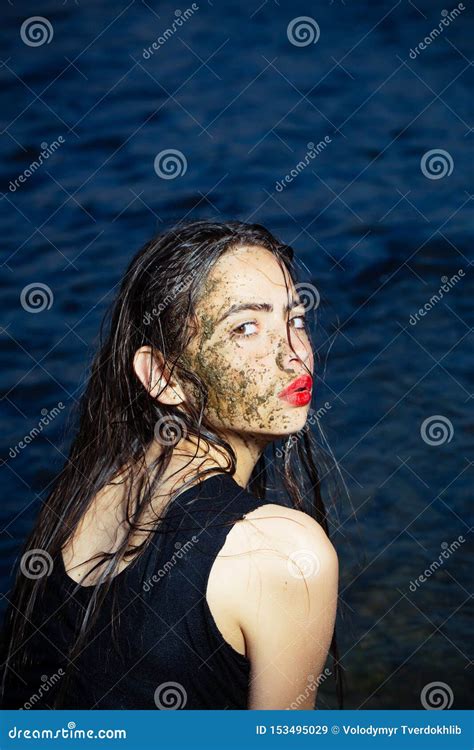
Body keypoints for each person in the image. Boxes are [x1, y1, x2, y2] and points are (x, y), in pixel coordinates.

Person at [0, 219, 343, 710]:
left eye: (295, 320)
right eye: (245, 328)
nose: (294, 356)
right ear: (163, 375)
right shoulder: (282, 553)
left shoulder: (89, 494)